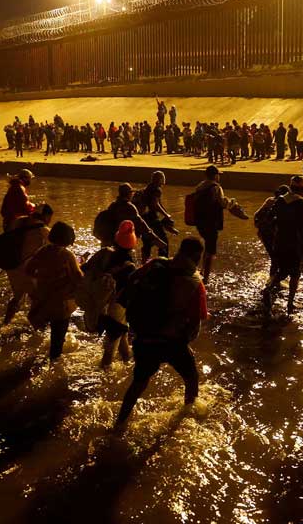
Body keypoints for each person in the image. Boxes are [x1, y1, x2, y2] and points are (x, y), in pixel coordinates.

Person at [115, 238, 207, 426]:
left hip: (144, 337)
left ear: (179, 250)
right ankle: (187, 421)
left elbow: (132, 281)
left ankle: (119, 423)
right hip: (172, 342)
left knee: (139, 382)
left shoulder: (155, 264)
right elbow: (196, 324)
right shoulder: (195, 283)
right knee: (191, 378)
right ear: (198, 257)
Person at [24, 222, 83, 361]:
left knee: (42, 330)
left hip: (43, 300)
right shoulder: (67, 255)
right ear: (69, 240)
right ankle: (54, 366)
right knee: (57, 343)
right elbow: (78, 278)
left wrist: (43, 279)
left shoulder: (42, 251)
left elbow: (28, 270)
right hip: (60, 305)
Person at [83, 221, 138, 367]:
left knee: (122, 335)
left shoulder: (104, 253)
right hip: (117, 306)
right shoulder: (130, 265)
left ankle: (127, 360)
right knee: (111, 345)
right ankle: (104, 374)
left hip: (100, 301)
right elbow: (131, 291)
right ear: (132, 243)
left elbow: (85, 268)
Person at [261, 176, 303, 314]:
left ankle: (268, 289)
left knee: (282, 271)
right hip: (293, 242)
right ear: (302, 189)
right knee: (294, 273)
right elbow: (300, 224)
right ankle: (290, 304)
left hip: (279, 241)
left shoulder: (280, 199)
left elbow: (269, 218)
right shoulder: (300, 201)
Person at [2, 203, 53, 324]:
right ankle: (34, 327)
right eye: (50, 217)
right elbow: (56, 249)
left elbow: (6, 238)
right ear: (45, 216)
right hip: (25, 270)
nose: (50, 220)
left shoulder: (18, 221)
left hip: (11, 266)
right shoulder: (43, 230)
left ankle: (5, 323)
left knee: (18, 297)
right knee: (38, 299)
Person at [138, 171, 177, 261]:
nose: (164, 179)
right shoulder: (157, 189)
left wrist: (165, 213)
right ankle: (162, 263)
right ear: (160, 179)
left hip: (144, 218)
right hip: (152, 218)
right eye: (163, 177)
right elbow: (155, 204)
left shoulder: (148, 187)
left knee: (147, 242)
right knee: (164, 242)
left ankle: (143, 264)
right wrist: (165, 214)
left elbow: (158, 203)